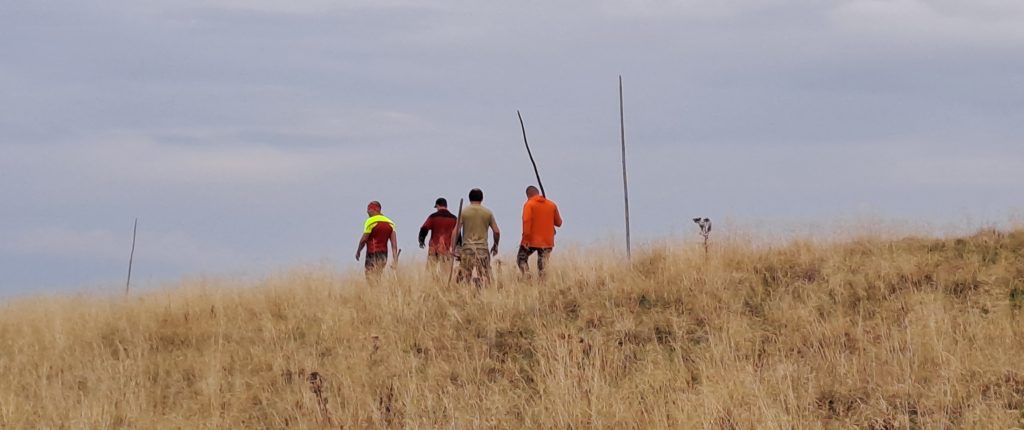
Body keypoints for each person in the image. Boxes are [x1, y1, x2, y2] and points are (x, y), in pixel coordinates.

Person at [451, 188, 500, 286]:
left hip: (467, 249)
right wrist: (495, 245)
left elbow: (455, 231)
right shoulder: (488, 212)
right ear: (482, 198)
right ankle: (486, 294)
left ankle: (462, 295)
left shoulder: (464, 212)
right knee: (485, 276)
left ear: (469, 198)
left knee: (463, 277)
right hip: (482, 249)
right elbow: (496, 231)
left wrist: (453, 249)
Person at [518, 185, 562, 277]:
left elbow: (526, 221)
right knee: (543, 266)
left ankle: (527, 277)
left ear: (528, 195)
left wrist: (525, 239)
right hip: (547, 241)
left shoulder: (529, 204)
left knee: (521, 259)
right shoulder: (551, 204)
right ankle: (543, 285)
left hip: (531, 240)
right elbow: (559, 223)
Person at [355, 201, 399, 281]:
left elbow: (363, 240)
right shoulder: (390, 223)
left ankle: (374, 292)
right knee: (378, 275)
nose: (367, 211)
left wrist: (358, 251)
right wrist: (395, 259)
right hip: (384, 255)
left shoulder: (370, 221)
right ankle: (378, 292)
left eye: (369, 209)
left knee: (370, 277)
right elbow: (394, 245)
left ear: (376, 209)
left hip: (372, 254)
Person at [418, 197, 457, 271]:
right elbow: (458, 235)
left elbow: (424, 229)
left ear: (438, 206)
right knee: (446, 273)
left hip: (434, 248)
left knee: (430, 271)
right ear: (446, 206)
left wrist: (421, 240)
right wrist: (458, 248)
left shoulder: (433, 217)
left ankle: (430, 282)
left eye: (436, 207)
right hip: (447, 249)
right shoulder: (454, 218)